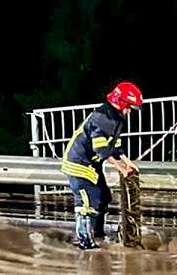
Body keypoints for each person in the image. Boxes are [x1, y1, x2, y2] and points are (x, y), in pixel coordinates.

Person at [61, 81, 143, 249]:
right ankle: (86, 243)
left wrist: (128, 163)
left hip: (92, 165)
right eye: (129, 108)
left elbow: (115, 146)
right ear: (121, 103)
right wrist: (120, 168)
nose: (129, 112)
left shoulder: (116, 118)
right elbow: (101, 150)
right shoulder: (102, 118)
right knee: (86, 204)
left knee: (102, 197)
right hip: (79, 165)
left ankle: (98, 234)